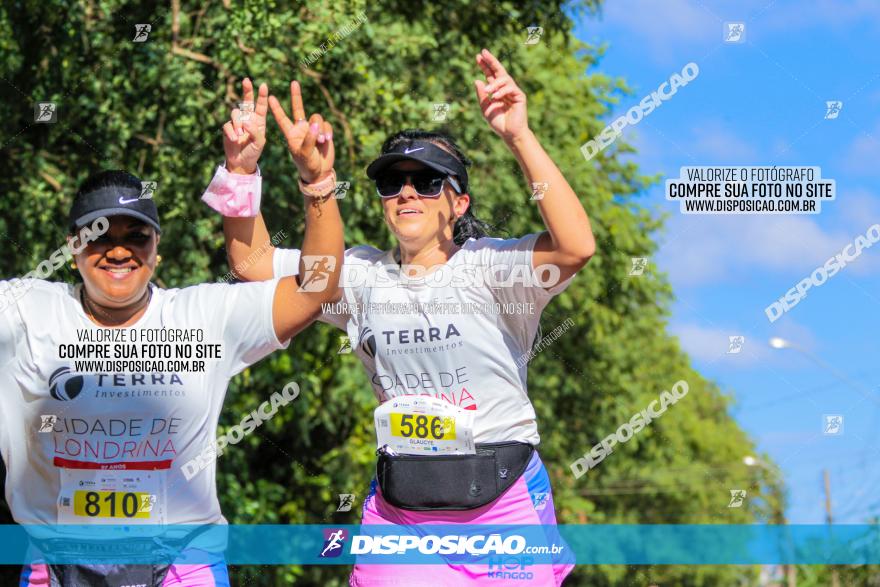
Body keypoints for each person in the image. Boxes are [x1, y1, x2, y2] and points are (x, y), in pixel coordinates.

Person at [215, 49, 595, 585]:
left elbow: (576, 246)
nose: (408, 192)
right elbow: (250, 263)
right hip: (403, 512)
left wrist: (518, 136)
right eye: (393, 183)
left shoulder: (493, 268)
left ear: (458, 203)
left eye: (428, 180)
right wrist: (242, 168)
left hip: (503, 503)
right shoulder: (361, 276)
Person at [0, 78, 343, 587]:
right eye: (98, 237)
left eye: (136, 236)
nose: (118, 250)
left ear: (157, 249)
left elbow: (316, 289)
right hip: (53, 567)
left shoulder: (203, 315)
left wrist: (316, 183)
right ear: (73, 249)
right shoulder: (24, 311)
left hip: (183, 566)